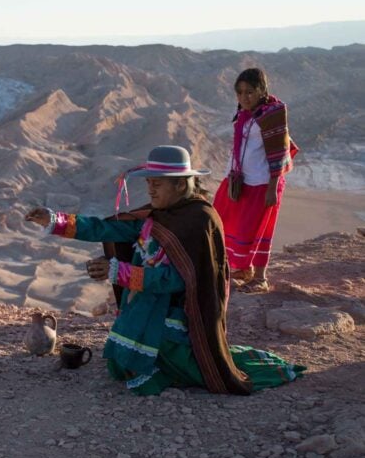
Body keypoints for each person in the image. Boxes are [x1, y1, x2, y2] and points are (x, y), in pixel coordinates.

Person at [25, 145, 305, 396]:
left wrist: (118, 272)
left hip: (176, 315)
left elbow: (180, 279)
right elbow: (108, 227)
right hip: (147, 305)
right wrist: (55, 221)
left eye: (157, 184)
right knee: (119, 365)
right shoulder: (158, 215)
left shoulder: (198, 221)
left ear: (180, 186)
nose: (151, 190)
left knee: (143, 370)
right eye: (149, 183)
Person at [213, 68, 299, 294]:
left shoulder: (272, 114)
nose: (244, 97)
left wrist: (273, 187)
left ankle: (260, 278)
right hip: (240, 180)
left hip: (262, 183)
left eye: (250, 92)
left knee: (258, 229)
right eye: (239, 92)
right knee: (224, 220)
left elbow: (279, 152)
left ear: (262, 90)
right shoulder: (245, 114)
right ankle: (243, 268)